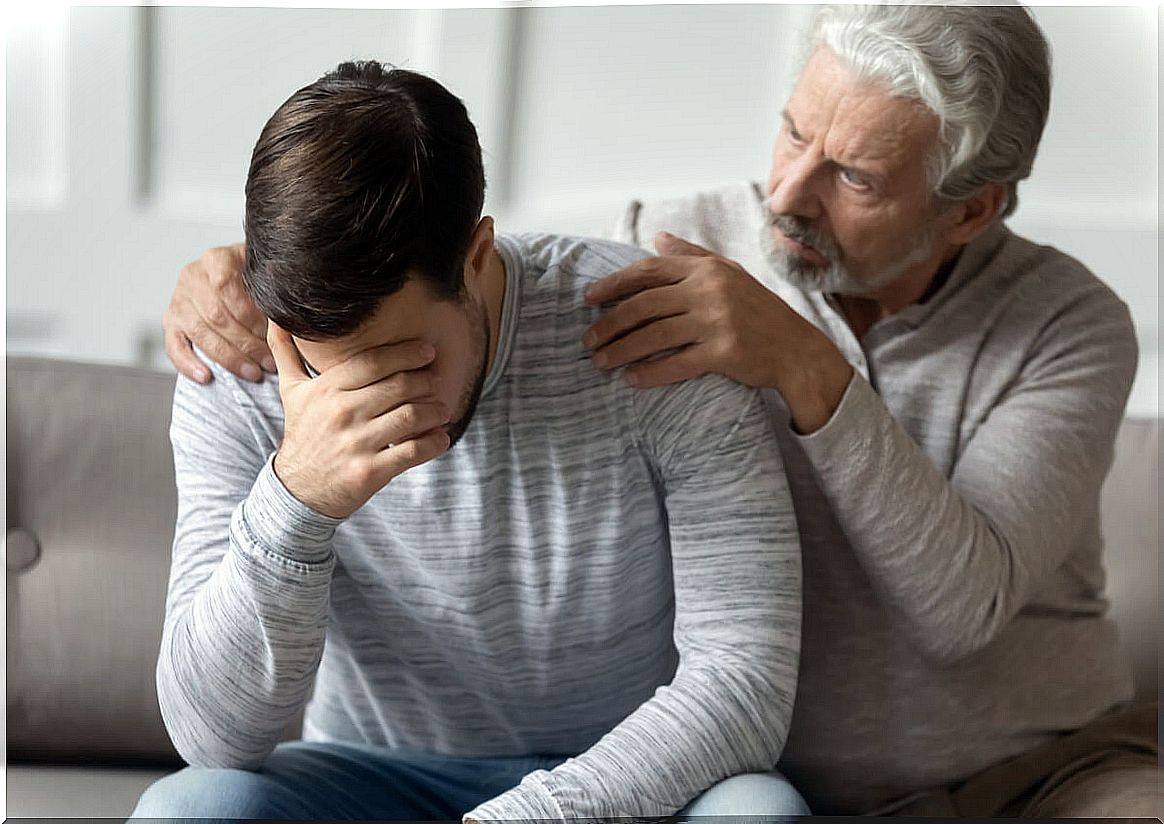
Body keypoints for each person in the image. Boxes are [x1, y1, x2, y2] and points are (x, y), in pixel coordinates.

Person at [160, 4, 1162, 819]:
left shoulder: (1062, 325)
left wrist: (802, 361)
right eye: (793, 128)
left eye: (853, 174)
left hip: (1039, 767)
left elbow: (955, 607)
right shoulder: (664, 254)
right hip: (440, 764)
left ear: (971, 207)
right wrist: (286, 459)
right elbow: (444, 269)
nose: (787, 189)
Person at [134, 60, 809, 822]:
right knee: (188, 809)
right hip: (372, 773)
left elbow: (744, 684)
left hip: (627, 775)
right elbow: (211, 740)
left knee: (759, 813)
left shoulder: (655, 331)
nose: (364, 403)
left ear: (477, 256)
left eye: (400, 356)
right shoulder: (242, 360)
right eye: (327, 365)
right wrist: (297, 499)